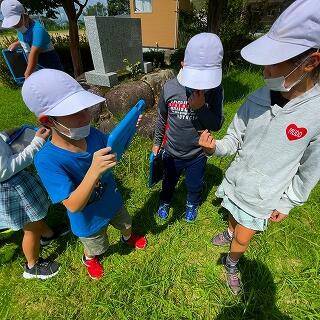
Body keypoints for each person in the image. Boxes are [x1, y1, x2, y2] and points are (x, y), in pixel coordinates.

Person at [199, 0, 320, 295]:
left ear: (310, 62)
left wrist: (289, 200)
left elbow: (311, 167)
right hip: (238, 181)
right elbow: (235, 137)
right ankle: (229, 230)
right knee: (232, 215)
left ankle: (231, 261)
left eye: (274, 62)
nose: (265, 71)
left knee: (244, 237)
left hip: (264, 194)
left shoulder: (316, 115)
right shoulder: (256, 97)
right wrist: (216, 149)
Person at [22, 69, 147, 280]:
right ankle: (89, 259)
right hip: (88, 217)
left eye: (85, 108)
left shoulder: (92, 133)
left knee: (125, 223)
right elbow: (72, 205)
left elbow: (112, 149)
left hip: (112, 199)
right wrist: (93, 171)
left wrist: (128, 130)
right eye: (75, 112)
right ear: (48, 121)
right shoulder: (46, 160)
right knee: (95, 245)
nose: (87, 116)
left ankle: (127, 237)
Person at [152, 33, 225, 222]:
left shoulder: (215, 90)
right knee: (168, 182)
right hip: (172, 151)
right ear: (183, 63)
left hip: (197, 154)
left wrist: (200, 108)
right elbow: (162, 116)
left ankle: (192, 203)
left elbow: (216, 125)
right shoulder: (170, 88)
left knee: (194, 184)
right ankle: (165, 201)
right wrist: (157, 142)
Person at [0, 126, 66, 279]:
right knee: (30, 227)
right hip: (12, 188)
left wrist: (4, 136)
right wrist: (37, 143)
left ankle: (47, 235)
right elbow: (4, 170)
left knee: (34, 218)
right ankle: (32, 265)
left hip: (15, 184)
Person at [0, 0, 63, 78]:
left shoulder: (38, 30)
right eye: (14, 25)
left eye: (17, 23)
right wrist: (17, 43)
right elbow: (28, 39)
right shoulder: (21, 29)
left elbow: (34, 53)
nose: (16, 27)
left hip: (52, 70)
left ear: (24, 16)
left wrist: (27, 75)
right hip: (36, 69)